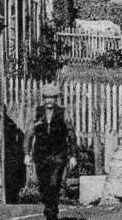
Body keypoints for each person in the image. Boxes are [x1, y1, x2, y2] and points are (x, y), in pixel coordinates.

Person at [24, 83, 77, 220]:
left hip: (58, 154)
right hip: (41, 155)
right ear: (43, 98)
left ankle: (52, 213)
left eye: (52, 98)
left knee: (54, 183)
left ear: (56, 99)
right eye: (47, 97)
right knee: (43, 186)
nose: (49, 101)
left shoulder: (63, 113)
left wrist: (72, 155)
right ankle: (50, 209)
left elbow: (71, 134)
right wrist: (26, 153)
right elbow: (29, 133)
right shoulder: (36, 112)